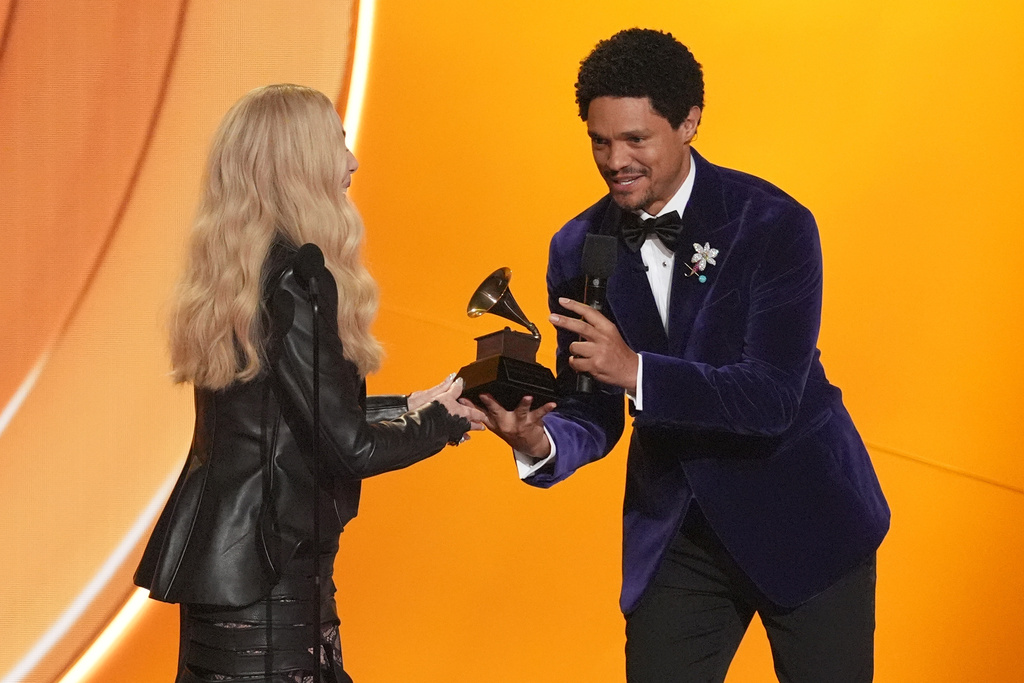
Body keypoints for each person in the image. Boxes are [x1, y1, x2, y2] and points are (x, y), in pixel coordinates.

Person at [479, 29, 890, 682]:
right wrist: (540, 440)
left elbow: (772, 397)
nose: (616, 160)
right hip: (678, 535)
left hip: (806, 519)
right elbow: (594, 409)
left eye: (636, 139)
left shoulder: (774, 223)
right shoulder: (577, 246)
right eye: (600, 141)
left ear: (690, 122)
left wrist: (637, 370)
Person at [134, 84, 485, 683]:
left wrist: (413, 404)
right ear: (299, 163)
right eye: (338, 144)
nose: (352, 161)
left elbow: (291, 418)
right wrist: (446, 421)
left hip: (242, 575)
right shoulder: (295, 283)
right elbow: (349, 447)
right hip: (271, 587)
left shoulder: (249, 274)